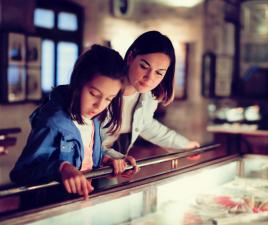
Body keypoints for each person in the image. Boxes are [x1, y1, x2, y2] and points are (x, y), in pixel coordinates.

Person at [10, 44, 126, 200]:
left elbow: (85, 155)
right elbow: (22, 173)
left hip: (80, 203)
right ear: (78, 83)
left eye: (108, 99)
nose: (99, 105)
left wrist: (107, 160)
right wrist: (62, 168)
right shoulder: (52, 122)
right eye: (93, 94)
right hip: (49, 208)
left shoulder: (93, 119)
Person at [101, 31, 200, 175]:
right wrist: (116, 158)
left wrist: (184, 145)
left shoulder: (148, 97)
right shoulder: (105, 90)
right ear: (130, 58)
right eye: (144, 66)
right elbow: (85, 136)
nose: (149, 78)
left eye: (159, 73)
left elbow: (146, 125)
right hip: (85, 163)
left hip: (112, 165)